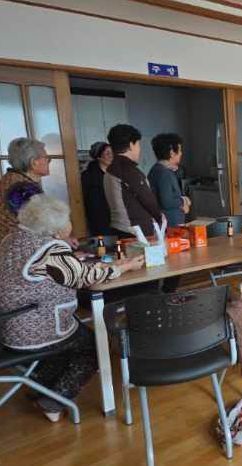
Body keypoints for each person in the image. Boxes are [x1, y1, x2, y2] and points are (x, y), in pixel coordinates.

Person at [0, 193, 144, 422]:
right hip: (34, 329)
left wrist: (73, 257)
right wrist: (122, 267)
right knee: (94, 347)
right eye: (67, 219)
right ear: (56, 230)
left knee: (73, 343)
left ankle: (41, 388)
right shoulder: (49, 250)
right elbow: (83, 277)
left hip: (9, 326)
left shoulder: (13, 238)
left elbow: (62, 269)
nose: (70, 224)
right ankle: (54, 401)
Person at [103, 124, 163, 237]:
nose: (139, 150)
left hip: (120, 227)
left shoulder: (111, 169)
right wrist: (160, 216)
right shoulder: (127, 170)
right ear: (131, 145)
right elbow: (147, 199)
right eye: (138, 145)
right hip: (134, 230)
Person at [0, 138, 50, 242]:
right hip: (18, 245)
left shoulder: (10, 178)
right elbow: (40, 224)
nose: (48, 161)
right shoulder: (23, 188)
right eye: (46, 158)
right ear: (33, 162)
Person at [148, 133, 191, 226]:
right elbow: (167, 202)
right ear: (172, 153)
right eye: (180, 150)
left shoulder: (157, 170)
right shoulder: (164, 173)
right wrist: (184, 201)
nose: (181, 153)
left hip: (166, 223)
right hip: (171, 225)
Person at [81, 141, 114, 236]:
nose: (111, 156)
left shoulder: (114, 173)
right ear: (99, 156)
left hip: (115, 216)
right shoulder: (88, 175)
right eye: (107, 153)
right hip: (98, 218)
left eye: (112, 153)